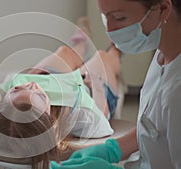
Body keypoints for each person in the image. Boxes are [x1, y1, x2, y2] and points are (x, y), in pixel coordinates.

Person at [0, 24, 122, 168]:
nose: (32, 86)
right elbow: (103, 119)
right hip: (87, 87)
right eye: (40, 96)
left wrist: (28, 78)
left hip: (48, 78)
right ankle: (116, 47)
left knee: (64, 52)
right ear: (49, 121)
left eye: (17, 90)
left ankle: (81, 44)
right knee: (102, 57)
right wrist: (97, 86)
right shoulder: (80, 115)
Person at [50, 0, 181, 169]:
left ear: (163, 9)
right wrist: (113, 149)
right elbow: (153, 127)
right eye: (105, 17)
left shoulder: (177, 91)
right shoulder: (165, 51)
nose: (110, 30)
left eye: (119, 18)